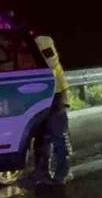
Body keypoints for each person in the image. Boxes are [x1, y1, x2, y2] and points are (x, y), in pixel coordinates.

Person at [21, 33, 72, 185]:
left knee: (59, 135)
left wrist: (25, 54)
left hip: (55, 92)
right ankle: (41, 172)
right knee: (41, 136)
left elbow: (51, 63)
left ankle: (63, 172)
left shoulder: (43, 41)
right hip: (37, 94)